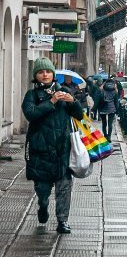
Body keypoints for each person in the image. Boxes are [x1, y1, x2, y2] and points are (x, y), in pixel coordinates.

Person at [23, 58, 81, 235]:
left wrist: (73, 102)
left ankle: (62, 221)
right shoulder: (31, 95)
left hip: (62, 148)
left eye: (48, 72)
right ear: (36, 76)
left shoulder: (63, 91)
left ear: (53, 74)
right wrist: (52, 101)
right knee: (42, 188)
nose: (45, 75)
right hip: (41, 150)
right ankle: (43, 204)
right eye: (41, 72)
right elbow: (31, 114)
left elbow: (78, 115)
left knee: (64, 187)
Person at [93, 73, 122, 139]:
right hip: (112, 108)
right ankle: (109, 136)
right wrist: (117, 111)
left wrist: (94, 108)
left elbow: (98, 99)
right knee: (110, 123)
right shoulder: (115, 91)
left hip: (102, 107)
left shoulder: (102, 89)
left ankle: (105, 135)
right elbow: (116, 102)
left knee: (104, 122)